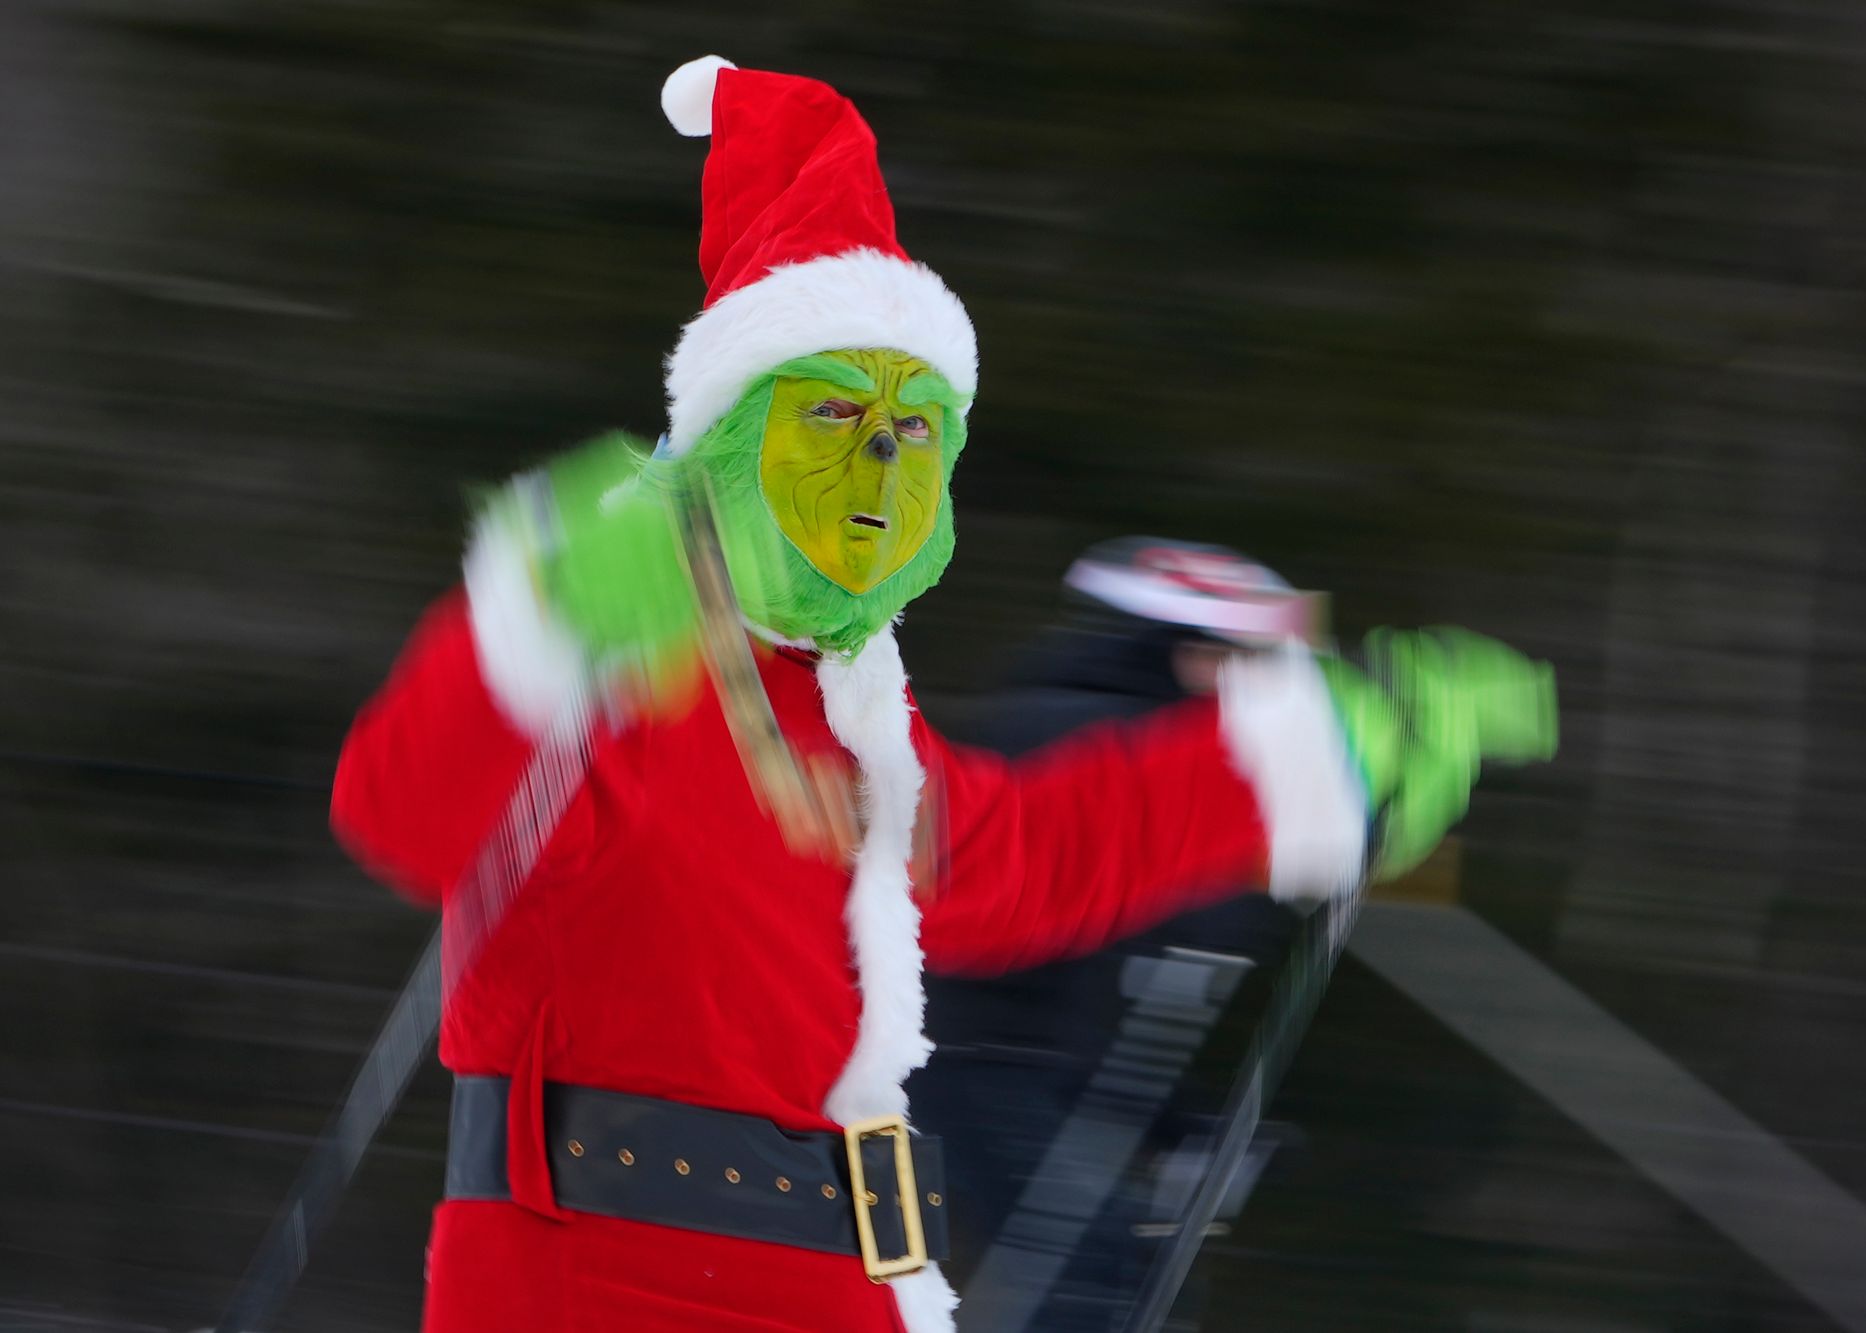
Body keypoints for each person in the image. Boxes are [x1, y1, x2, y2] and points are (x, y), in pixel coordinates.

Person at [329, 56, 1557, 1333]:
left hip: (841, 1280)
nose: (878, 458)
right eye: (833, 413)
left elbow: (1024, 856)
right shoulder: (630, 668)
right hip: (599, 1278)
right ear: (732, 439)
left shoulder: (861, 719)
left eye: (917, 428)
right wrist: (534, 626)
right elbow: (404, 812)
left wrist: (1315, 755)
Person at [913, 538, 1329, 1332]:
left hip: (1008, 1065)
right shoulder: (1092, 737)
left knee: (1112, 1275)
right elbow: (1116, 931)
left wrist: (1177, 1126)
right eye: (1250, 666)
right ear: (1196, 654)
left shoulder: (1116, 737)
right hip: (964, 1062)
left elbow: (1122, 982)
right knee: (1087, 1275)